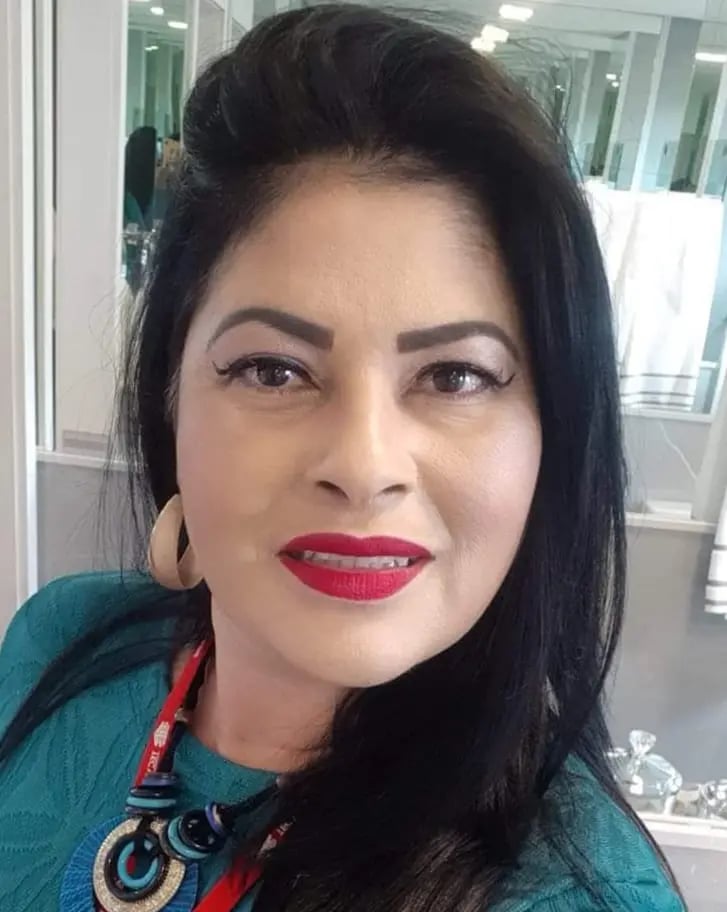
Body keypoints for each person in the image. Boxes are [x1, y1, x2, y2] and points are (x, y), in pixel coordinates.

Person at [0, 6, 684, 912]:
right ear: (169, 393)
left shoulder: (571, 892)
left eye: (454, 376)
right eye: (273, 369)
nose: (363, 466)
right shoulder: (65, 641)